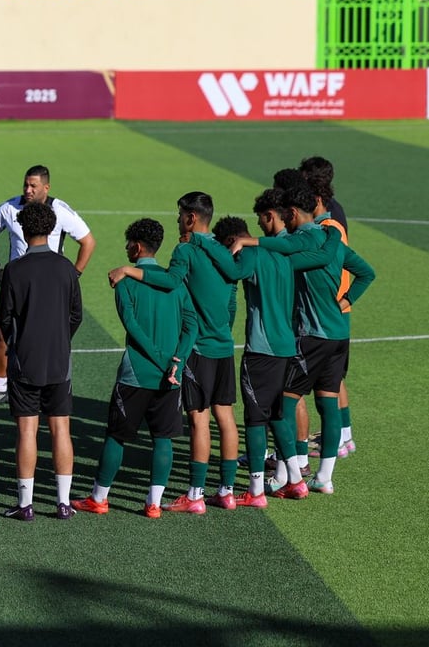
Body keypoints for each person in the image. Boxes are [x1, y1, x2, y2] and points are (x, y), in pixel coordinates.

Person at [231, 182, 374, 495]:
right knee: (327, 401)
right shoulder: (331, 240)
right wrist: (346, 301)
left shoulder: (300, 242)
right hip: (339, 335)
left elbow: (284, 256)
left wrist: (250, 244)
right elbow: (367, 272)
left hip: (312, 335)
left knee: (282, 403)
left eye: (286, 215)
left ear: (292, 213)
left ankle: (286, 473)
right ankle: (324, 477)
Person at [107, 192, 239, 513]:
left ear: (191, 218)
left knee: (198, 419)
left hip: (199, 347)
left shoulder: (186, 249)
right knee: (226, 416)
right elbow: (232, 298)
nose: (178, 220)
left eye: (180, 214)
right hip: (224, 344)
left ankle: (195, 495)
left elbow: (170, 281)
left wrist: (129, 270)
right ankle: (227, 491)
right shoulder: (223, 252)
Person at [74, 219, 197, 519]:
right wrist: (177, 360)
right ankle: (154, 504)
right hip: (171, 377)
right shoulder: (176, 283)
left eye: (128, 244)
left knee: (116, 436)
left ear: (138, 247)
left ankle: (99, 498)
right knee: (163, 438)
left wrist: (160, 359)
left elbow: (132, 325)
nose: (126, 248)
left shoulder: (124, 282)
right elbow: (191, 326)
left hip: (137, 374)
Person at [189, 204, 304, 505]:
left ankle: (255, 492)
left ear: (232, 241)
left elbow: (233, 271)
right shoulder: (280, 253)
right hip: (286, 345)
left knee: (254, 419)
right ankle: (296, 480)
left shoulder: (251, 254)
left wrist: (203, 242)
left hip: (262, 349)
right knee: (277, 415)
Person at [0, 202, 83, 521]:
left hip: (25, 361)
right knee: (61, 428)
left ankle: (26, 504)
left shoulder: (15, 270)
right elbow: (76, 315)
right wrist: (61, 338)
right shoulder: (66, 268)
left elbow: (5, 317)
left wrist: (19, 341)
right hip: (59, 360)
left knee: (27, 431)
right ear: (50, 229)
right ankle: (63, 503)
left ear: (22, 229)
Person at [0, 165, 96, 407]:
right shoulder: (9, 208)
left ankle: (49, 384)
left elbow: (88, 241)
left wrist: (73, 275)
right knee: (3, 333)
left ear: (46, 187)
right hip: (18, 282)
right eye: (25, 185)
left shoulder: (60, 211)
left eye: (33, 186)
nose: (28, 190)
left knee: (51, 333)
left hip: (50, 285)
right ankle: (1, 388)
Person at [302, 157, 357, 459]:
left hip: (331, 303)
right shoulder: (335, 209)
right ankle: (343, 436)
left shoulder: (327, 217)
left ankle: (340, 438)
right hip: (337, 302)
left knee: (329, 380)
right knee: (334, 377)